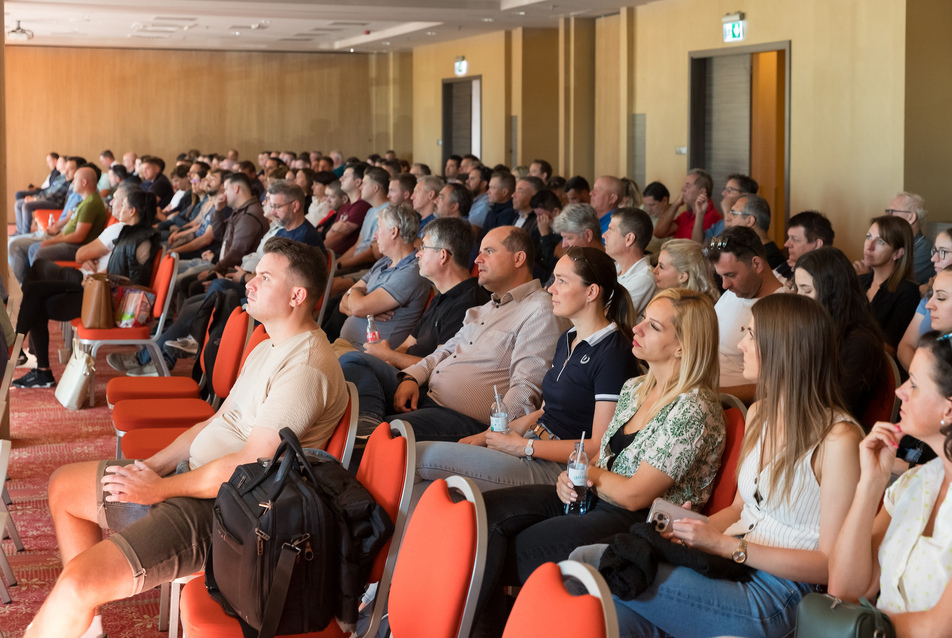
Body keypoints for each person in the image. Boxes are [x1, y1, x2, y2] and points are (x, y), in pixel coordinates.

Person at [24, 238, 346, 638]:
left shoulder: (307, 368)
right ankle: (84, 624)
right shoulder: (269, 345)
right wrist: (151, 468)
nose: (250, 282)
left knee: (76, 582)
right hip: (189, 479)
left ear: (297, 295)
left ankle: (78, 602)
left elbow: (249, 467)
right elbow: (214, 425)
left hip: (223, 512)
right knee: (64, 489)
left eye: (264, 277)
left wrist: (159, 489)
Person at [573, 293, 864, 638]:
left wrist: (727, 546)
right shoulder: (761, 413)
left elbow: (829, 563)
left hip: (780, 594)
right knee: (610, 611)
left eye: (752, 335)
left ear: (783, 350)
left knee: (587, 562)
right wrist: (691, 531)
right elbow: (742, 509)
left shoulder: (839, 438)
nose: (741, 344)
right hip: (730, 565)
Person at [471, 287, 725, 637]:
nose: (635, 329)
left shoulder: (694, 408)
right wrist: (570, 478)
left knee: (498, 554)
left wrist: (586, 473)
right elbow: (603, 457)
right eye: (642, 320)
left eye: (652, 326)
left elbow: (637, 495)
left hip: (637, 522)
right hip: (591, 499)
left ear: (683, 346)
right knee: (480, 517)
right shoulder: (636, 387)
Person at [413, 247, 639, 494]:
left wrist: (524, 447)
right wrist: (489, 435)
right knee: (421, 464)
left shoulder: (613, 353)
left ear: (591, 292)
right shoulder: (568, 337)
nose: (551, 288)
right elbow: (545, 410)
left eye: (562, 281)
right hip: (533, 442)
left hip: (559, 468)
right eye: (554, 279)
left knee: (420, 458)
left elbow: (597, 446)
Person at [387, 226, 567, 442]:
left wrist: (489, 436)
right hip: (427, 395)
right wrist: (411, 377)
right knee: (359, 364)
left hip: (464, 421)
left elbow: (526, 388)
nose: (477, 259)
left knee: (386, 429)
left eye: (488, 251)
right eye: (479, 252)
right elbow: (446, 351)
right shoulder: (487, 307)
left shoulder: (540, 310)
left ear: (518, 258)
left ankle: (361, 440)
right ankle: (362, 435)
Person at [828, 330, 952, 635]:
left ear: (949, 410)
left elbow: (937, 629)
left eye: (914, 384)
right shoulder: (916, 482)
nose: (899, 391)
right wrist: (870, 484)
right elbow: (844, 589)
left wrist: (861, 626)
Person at [340, 217, 490, 434]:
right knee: (344, 369)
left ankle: (365, 432)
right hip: (407, 374)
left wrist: (388, 356)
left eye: (423, 248)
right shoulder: (441, 296)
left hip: (427, 388)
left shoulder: (469, 303)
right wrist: (387, 356)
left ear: (442, 255)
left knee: (353, 360)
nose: (417, 253)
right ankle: (361, 431)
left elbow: (442, 366)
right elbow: (408, 343)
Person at [12, 186, 158, 388]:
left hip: (100, 299)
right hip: (100, 292)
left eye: (122, 204)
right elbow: (124, 272)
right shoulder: (145, 236)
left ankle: (21, 353)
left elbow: (94, 261)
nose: (117, 206)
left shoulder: (122, 231)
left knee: (34, 296)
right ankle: (26, 358)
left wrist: (96, 270)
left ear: (132, 211)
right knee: (35, 292)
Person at [793, 247, 887, 421]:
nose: (799, 298)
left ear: (832, 293)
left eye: (806, 291)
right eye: (797, 289)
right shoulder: (812, 328)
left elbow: (838, 409)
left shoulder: (858, 343)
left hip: (834, 431)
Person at [336, 202, 432, 352]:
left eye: (379, 228)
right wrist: (367, 312)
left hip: (363, 356)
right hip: (346, 346)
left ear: (394, 232)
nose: (374, 236)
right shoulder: (384, 261)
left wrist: (356, 295)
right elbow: (343, 305)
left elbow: (357, 307)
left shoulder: (411, 272)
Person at [705, 226, 784, 403]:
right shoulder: (732, 293)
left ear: (756, 264)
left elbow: (775, 386)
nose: (724, 285)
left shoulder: (781, 310)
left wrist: (710, 394)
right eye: (721, 276)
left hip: (728, 406)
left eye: (730, 275)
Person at [855, 216, 919, 354]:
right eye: (868, 237)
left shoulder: (907, 292)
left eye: (880, 242)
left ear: (897, 253)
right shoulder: (859, 281)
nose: (869, 246)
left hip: (878, 365)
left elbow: (890, 348)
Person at [897, 229, 952, 370]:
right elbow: (905, 346)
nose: (934, 259)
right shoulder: (928, 296)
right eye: (935, 251)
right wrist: (921, 379)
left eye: (943, 252)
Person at [603, 207, 656, 315]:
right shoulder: (616, 267)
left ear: (629, 239)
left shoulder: (644, 278)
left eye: (611, 229)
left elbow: (610, 317)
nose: (604, 235)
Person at [653, 169, 721, 241]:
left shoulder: (713, 218)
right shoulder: (686, 215)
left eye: (687, 186)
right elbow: (658, 233)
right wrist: (676, 204)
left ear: (702, 191)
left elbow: (698, 247)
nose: (682, 189)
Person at [652, 238, 720, 304]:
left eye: (661, 267)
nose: (654, 271)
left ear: (682, 277)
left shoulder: (688, 310)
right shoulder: (667, 298)